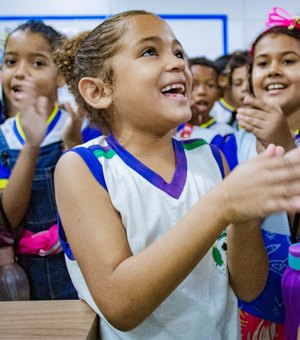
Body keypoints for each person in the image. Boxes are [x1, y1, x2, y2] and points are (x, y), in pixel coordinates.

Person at [53, 10, 300, 339]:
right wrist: (222, 205)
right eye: (150, 51)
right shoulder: (83, 167)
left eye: (179, 52)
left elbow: (250, 287)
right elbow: (121, 306)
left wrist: (244, 216)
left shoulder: (210, 158)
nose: (176, 63)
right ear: (99, 91)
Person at [224, 7, 300, 339]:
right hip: (253, 309)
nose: (273, 71)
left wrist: (286, 146)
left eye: (289, 61)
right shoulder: (230, 146)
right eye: (263, 63)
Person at [0, 19, 78, 300]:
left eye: (37, 63)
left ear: (61, 76)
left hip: (79, 267)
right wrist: (31, 145)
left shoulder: (79, 128)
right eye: (11, 62)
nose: (20, 73)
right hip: (24, 277)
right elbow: (8, 218)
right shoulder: (3, 139)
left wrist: (73, 144)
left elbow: (91, 203)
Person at [176, 57, 234, 143]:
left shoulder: (226, 134)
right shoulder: (171, 129)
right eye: (194, 84)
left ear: (219, 93)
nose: (202, 91)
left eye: (210, 85)